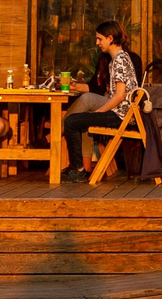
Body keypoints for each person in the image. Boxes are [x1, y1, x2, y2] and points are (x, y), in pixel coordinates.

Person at [60, 21, 142, 180]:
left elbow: (119, 96)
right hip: (120, 113)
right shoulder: (117, 58)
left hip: (120, 115)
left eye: (100, 39)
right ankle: (78, 168)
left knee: (71, 121)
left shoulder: (119, 60)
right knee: (75, 120)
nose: (97, 43)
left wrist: (98, 112)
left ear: (110, 38)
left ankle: (77, 169)